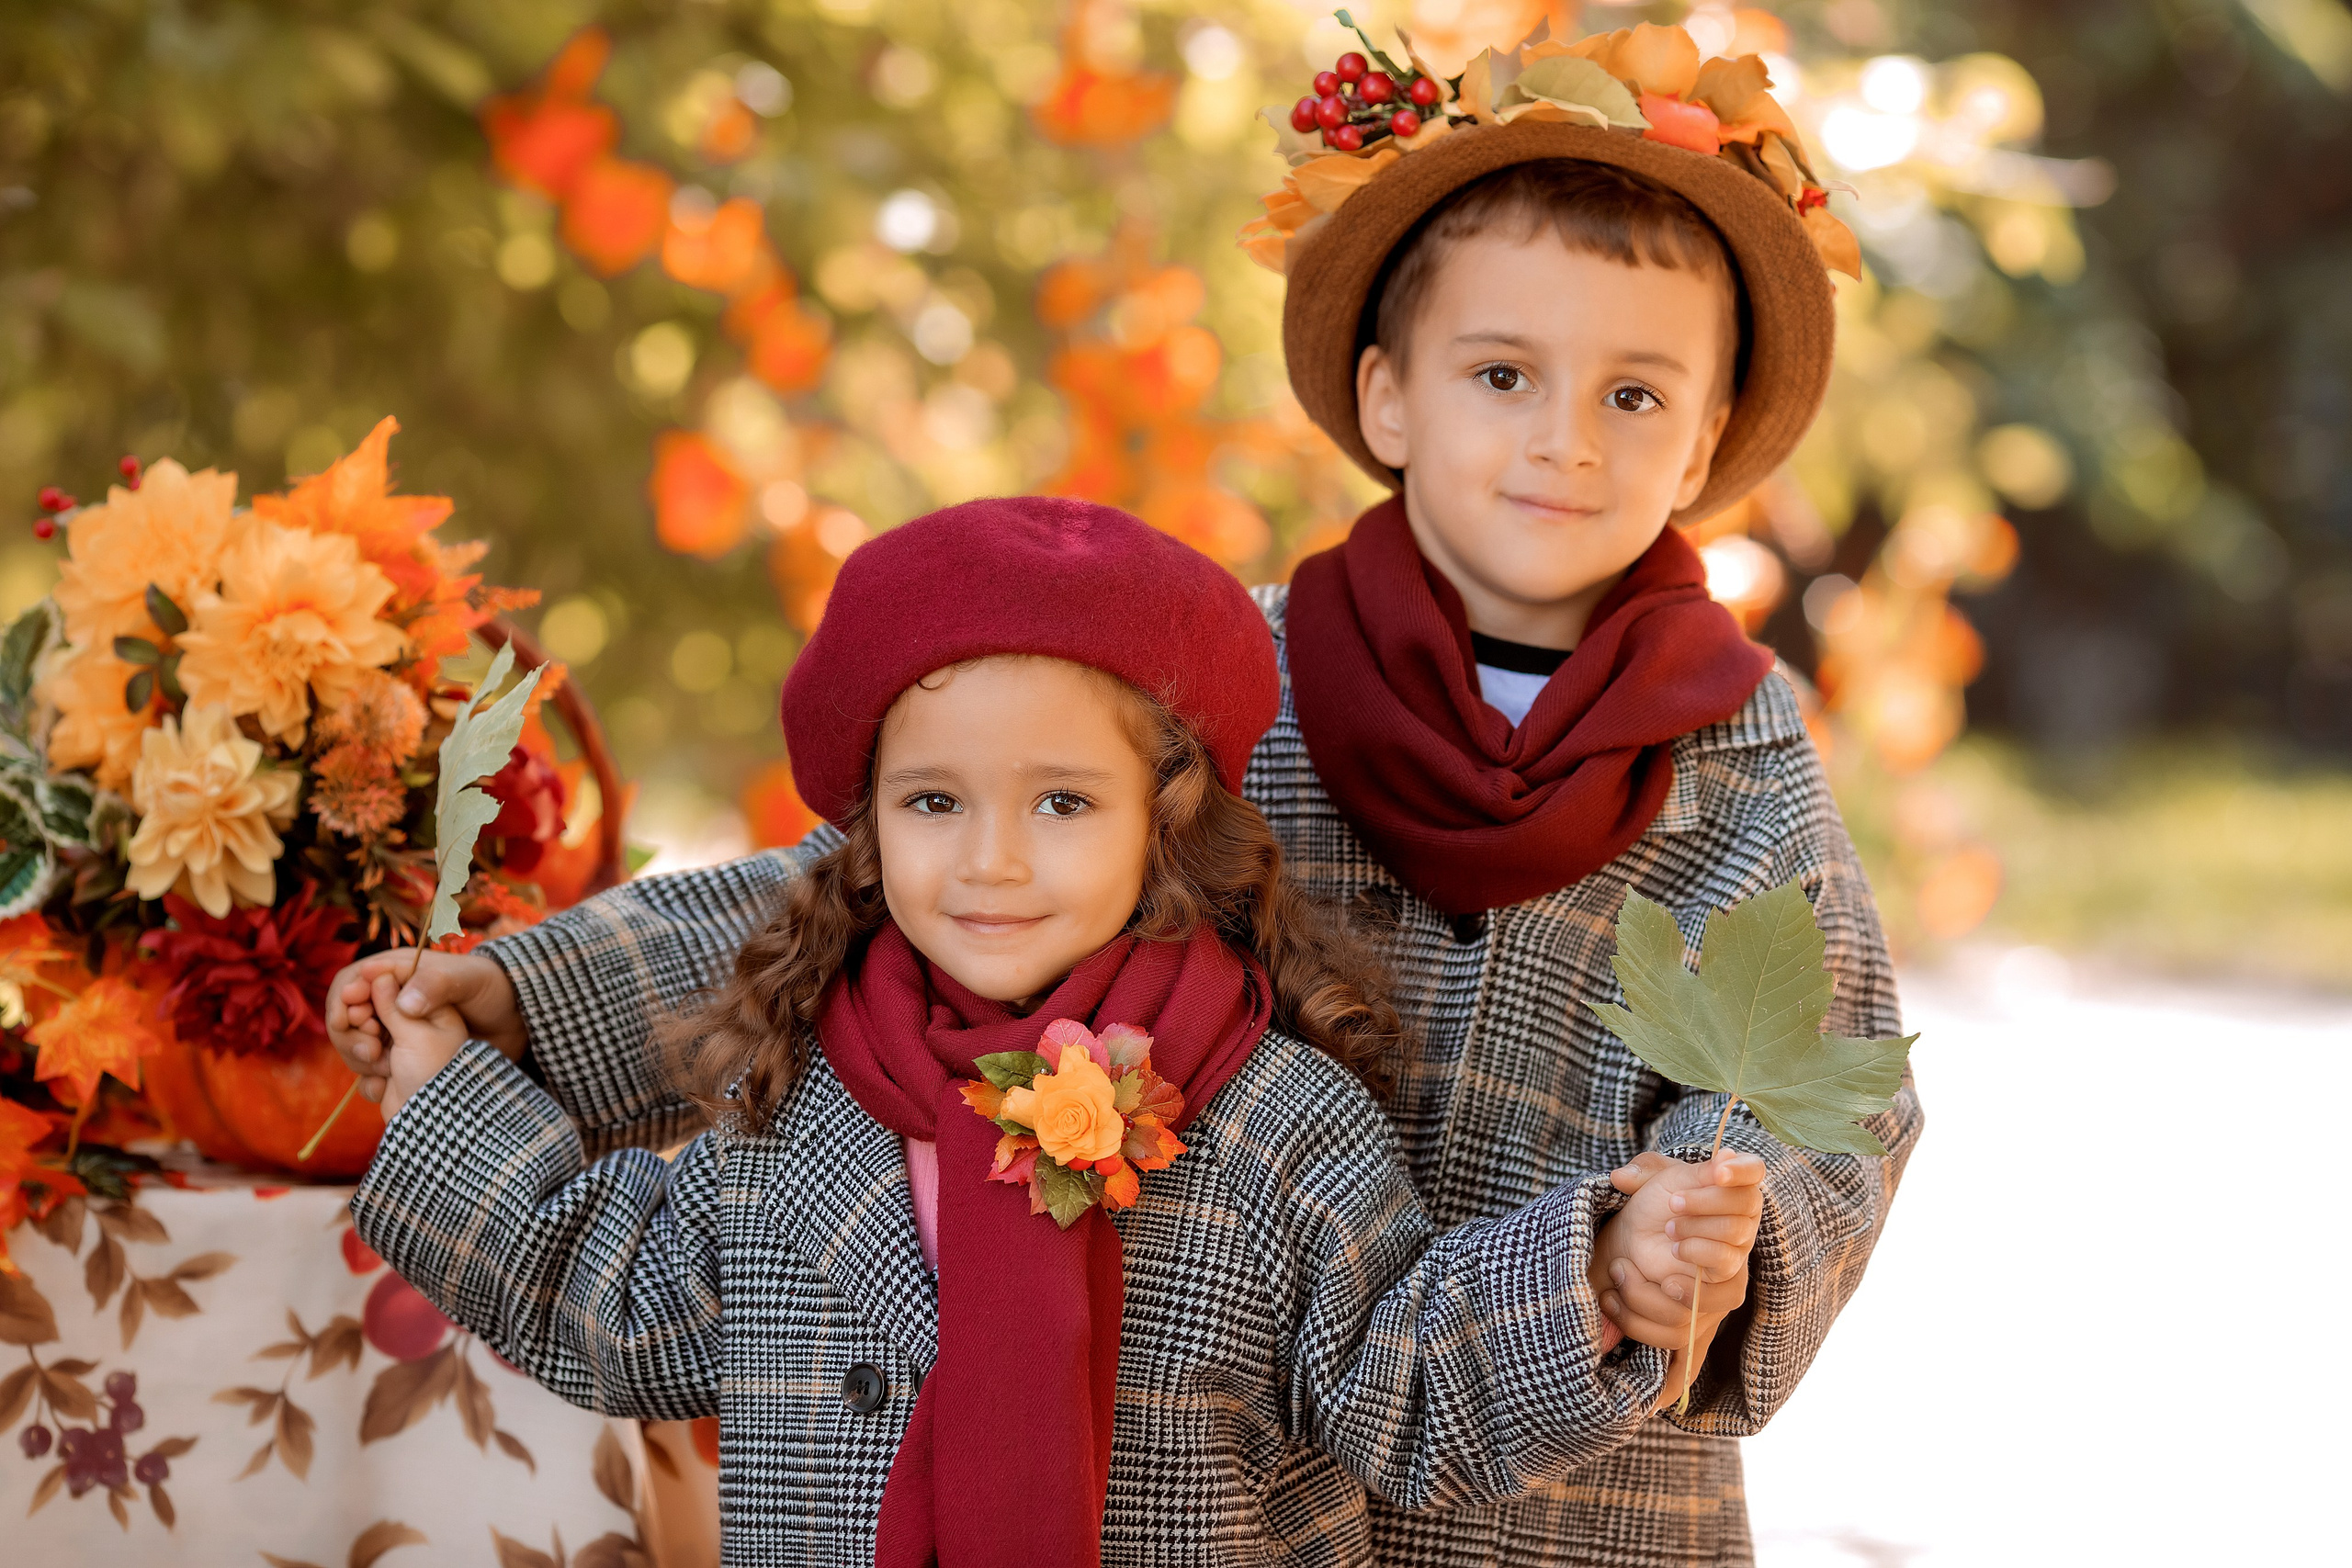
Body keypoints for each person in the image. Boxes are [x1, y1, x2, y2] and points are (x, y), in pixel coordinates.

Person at [334, 28, 1916, 1563]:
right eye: (1503, 373)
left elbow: (1812, 1071)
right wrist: (528, 1001)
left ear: (1707, 436)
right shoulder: (1236, 679)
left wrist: (1681, 1241)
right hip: (1217, 1423)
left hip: (1574, 1489)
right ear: (1387, 401)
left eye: (1633, 398)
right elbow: (875, 882)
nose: (1562, 440)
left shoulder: (1740, 764)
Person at [348, 499, 1764, 1564]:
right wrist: (440, 1094)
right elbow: (613, 1292)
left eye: (1063, 804)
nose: (993, 864)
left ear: (1167, 820)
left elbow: (1398, 1382)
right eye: (936, 803)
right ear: (864, 828)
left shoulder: (1278, 1122)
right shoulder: (796, 1111)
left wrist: (1597, 1275)